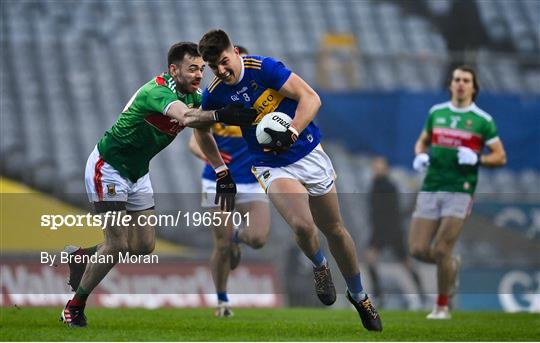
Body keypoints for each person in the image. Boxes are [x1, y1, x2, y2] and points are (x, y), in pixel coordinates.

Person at [60, 42, 257, 328]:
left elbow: (202, 133)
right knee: (117, 244)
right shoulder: (157, 92)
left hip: (138, 173)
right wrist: (223, 114)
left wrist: (221, 170)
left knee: (143, 246)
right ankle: (74, 307)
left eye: (202, 69)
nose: (199, 75)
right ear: (173, 69)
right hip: (109, 168)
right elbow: (187, 118)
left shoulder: (194, 96)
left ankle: (82, 257)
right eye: (192, 69)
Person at [198, 29, 382, 331]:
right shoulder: (216, 92)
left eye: (223, 61)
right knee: (302, 224)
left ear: (234, 52)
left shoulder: (265, 68)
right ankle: (320, 265)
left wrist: (293, 129)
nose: (220, 70)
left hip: (308, 152)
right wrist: (219, 165)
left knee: (334, 229)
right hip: (270, 164)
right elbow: (200, 129)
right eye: (213, 67)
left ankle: (359, 295)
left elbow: (311, 98)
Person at [409, 65, 507, 319]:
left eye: (466, 80)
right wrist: (420, 154)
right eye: (456, 79)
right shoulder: (437, 113)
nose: (460, 84)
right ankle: (451, 267)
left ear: (474, 87)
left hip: (460, 189)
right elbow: (423, 140)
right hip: (431, 185)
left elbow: (500, 156)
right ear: (451, 84)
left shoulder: (483, 120)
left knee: (442, 249)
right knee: (417, 249)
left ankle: (442, 306)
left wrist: (477, 158)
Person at [188, 46, 271, 318]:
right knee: (221, 246)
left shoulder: (260, 100)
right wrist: (213, 159)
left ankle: (237, 236)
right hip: (217, 180)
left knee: (258, 239)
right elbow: (193, 141)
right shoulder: (215, 99)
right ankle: (222, 301)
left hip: (251, 179)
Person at [364, 157, 424, 308]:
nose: (376, 169)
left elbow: (391, 212)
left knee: (406, 263)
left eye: (379, 166)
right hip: (381, 230)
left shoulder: (388, 186)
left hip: (389, 230)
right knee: (371, 260)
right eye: (375, 166)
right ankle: (379, 295)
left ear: (385, 169)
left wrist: (385, 232)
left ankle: (421, 294)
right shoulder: (375, 185)